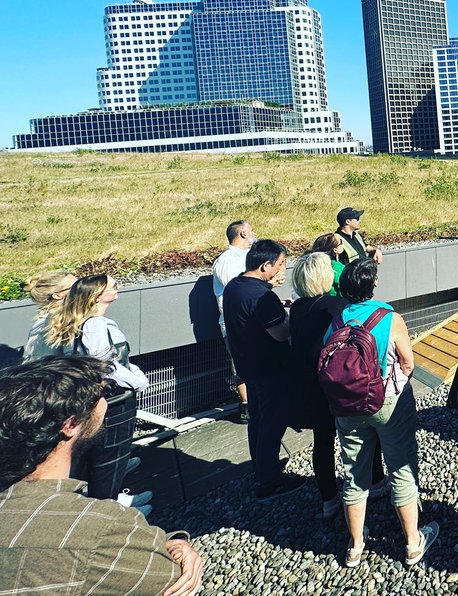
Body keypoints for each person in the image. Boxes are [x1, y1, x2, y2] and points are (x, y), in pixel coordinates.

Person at [0, 356, 204, 595]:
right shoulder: (101, 527)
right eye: (102, 393)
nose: (106, 400)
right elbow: (173, 580)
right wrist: (177, 545)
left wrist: (170, 540)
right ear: (70, 424)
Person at [327, 259, 437, 568]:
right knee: (400, 465)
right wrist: (397, 384)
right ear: (372, 285)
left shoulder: (335, 322)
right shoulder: (389, 317)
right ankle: (413, 542)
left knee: (353, 470)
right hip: (386, 401)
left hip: (346, 404)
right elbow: (408, 362)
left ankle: (355, 545)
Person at [33, 274, 151, 506]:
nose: (118, 286)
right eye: (112, 285)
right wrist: (137, 381)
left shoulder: (73, 321)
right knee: (109, 463)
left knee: (92, 462)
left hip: (91, 401)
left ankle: (101, 507)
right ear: (97, 296)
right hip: (114, 402)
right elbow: (104, 365)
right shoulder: (94, 323)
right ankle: (111, 516)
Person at [288, 252, 386, 520]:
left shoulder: (296, 309)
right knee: (364, 434)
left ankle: (328, 499)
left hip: (310, 385)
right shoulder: (337, 306)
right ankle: (375, 483)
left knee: (322, 442)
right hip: (338, 381)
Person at [222, 239, 304, 502]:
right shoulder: (262, 296)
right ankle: (269, 482)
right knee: (272, 422)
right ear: (265, 265)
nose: (283, 268)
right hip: (271, 369)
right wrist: (291, 316)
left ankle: (261, 467)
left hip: (249, 366)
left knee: (257, 419)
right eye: (280, 264)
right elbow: (280, 333)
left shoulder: (235, 285)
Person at [212, 220, 255, 422]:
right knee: (240, 364)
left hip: (253, 319)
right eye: (251, 230)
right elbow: (238, 289)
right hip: (235, 322)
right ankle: (246, 406)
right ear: (243, 234)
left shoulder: (248, 257)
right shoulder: (227, 260)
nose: (254, 233)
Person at [21, 270, 77, 359]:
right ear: (57, 295)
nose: (84, 288)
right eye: (76, 286)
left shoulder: (43, 321)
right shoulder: (59, 322)